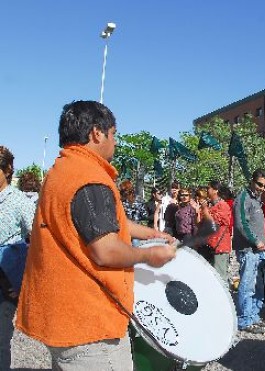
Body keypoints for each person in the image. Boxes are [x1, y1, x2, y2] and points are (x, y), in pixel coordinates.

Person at [15, 101, 177, 370]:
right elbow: (107, 250)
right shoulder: (90, 178)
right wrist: (150, 254)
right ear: (96, 133)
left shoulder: (62, 171)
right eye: (113, 134)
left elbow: (103, 221)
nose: (114, 143)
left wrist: (153, 233)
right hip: (89, 329)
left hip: (61, 317)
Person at [0, 146, 36, 370]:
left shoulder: (19, 201)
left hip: (5, 281)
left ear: (7, 170)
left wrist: (26, 280)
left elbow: (40, 242)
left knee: (2, 342)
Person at [233, 168, 265, 334]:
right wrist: (257, 241)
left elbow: (253, 225)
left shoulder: (256, 200)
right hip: (248, 250)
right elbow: (241, 224)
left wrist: (264, 240)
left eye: (264, 186)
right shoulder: (243, 198)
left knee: (257, 286)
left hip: (257, 250)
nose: (262, 188)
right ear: (252, 181)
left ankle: (253, 316)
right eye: (259, 184)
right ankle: (244, 320)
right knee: (247, 286)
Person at [202, 180, 232, 283]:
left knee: (220, 278)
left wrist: (204, 209)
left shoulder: (223, 205)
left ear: (216, 190)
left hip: (220, 247)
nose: (207, 190)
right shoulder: (211, 205)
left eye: (208, 188)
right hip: (210, 246)